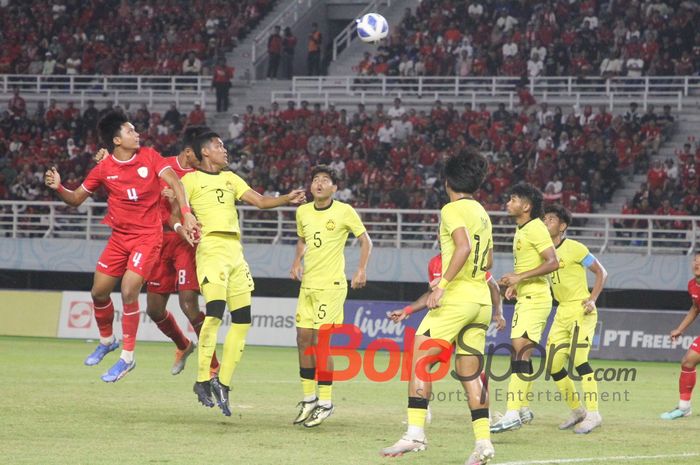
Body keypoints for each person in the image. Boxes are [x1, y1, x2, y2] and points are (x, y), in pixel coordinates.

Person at [43, 111, 198, 382]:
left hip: (148, 237)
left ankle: (127, 358)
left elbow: (174, 181)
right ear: (116, 140)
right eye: (130, 131)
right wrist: (59, 187)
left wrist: (185, 212)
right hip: (119, 239)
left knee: (129, 290)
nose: (136, 133)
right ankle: (107, 340)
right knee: (99, 292)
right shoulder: (103, 168)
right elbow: (76, 199)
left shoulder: (150, 156)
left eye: (135, 130)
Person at [381, 152, 496, 465]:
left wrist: (442, 284)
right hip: (481, 299)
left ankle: (415, 433)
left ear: (448, 182)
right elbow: (488, 262)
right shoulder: (483, 213)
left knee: (420, 360)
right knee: (470, 373)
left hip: (457, 298)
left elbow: (463, 247)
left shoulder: (451, 209)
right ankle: (483, 442)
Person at [184, 130, 306, 416]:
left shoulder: (231, 178)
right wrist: (183, 224)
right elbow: (178, 211)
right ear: (205, 152)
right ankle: (203, 379)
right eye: (219, 146)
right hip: (211, 247)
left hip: (235, 251)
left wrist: (287, 198)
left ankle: (223, 383)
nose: (224, 150)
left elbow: (260, 201)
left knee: (243, 320)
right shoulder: (190, 180)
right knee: (214, 314)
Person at [93, 126, 219, 376]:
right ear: (188, 152)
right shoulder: (163, 165)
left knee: (188, 304)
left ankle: (213, 365)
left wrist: (182, 206)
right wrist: (109, 161)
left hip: (185, 243)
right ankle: (183, 345)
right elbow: (130, 176)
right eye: (199, 155)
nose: (203, 160)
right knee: (154, 309)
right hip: (156, 240)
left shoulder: (204, 175)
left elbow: (200, 208)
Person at [290, 165, 372, 428]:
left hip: (332, 285)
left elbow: (365, 240)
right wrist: (296, 262)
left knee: (321, 341)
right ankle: (309, 399)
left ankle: (326, 401)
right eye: (315, 179)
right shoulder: (302, 211)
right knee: (303, 339)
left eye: (325, 180)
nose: (319, 183)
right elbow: (303, 239)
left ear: (335, 188)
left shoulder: (344, 211)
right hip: (309, 285)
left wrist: (360, 270)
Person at [491, 183, 559, 433]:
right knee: (520, 354)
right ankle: (521, 409)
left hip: (536, 300)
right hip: (526, 298)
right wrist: (517, 284)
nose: (508, 203)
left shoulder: (535, 229)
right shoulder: (522, 230)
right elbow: (532, 266)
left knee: (521, 354)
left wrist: (520, 278)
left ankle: (512, 413)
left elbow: (553, 262)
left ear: (526, 206)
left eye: (513, 199)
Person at [543, 204, 607, 433]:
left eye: (550, 219)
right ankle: (578, 410)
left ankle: (594, 413)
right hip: (561, 311)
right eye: (544, 219)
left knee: (579, 360)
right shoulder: (544, 251)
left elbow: (601, 272)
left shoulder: (576, 248)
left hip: (581, 309)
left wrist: (592, 299)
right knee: (553, 364)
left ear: (562, 226)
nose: (545, 222)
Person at [661, 252, 700, 420]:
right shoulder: (692, 285)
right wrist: (680, 329)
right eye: (695, 260)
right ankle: (684, 408)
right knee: (688, 361)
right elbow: (695, 308)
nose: (697, 263)